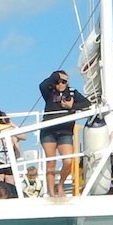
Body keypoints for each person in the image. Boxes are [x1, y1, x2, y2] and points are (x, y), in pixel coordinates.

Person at [37, 69, 91, 198]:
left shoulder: (72, 93)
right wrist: (56, 75)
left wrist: (71, 107)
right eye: (57, 81)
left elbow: (87, 103)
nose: (60, 84)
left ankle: (60, 184)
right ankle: (51, 193)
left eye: (64, 81)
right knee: (51, 163)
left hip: (65, 131)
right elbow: (42, 85)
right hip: (49, 131)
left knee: (68, 161)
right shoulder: (49, 92)